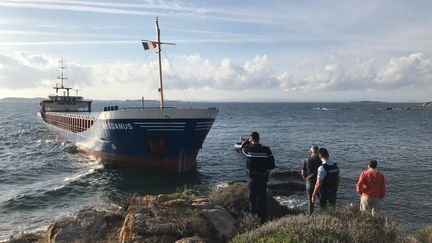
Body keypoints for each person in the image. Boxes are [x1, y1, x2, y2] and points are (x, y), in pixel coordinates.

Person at [241, 132, 275, 223]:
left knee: (252, 197)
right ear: (259, 139)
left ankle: (253, 215)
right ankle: (262, 220)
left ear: (251, 139)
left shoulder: (249, 150)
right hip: (263, 177)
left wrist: (247, 141)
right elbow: (272, 165)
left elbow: (242, 148)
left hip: (252, 177)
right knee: (262, 198)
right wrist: (266, 168)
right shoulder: (267, 150)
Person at [301, 146, 321, 215]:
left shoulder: (307, 160)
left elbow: (303, 173)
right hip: (320, 183)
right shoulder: (321, 160)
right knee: (322, 200)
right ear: (318, 152)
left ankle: (310, 216)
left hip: (310, 183)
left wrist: (306, 179)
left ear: (311, 152)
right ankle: (325, 216)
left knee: (310, 201)